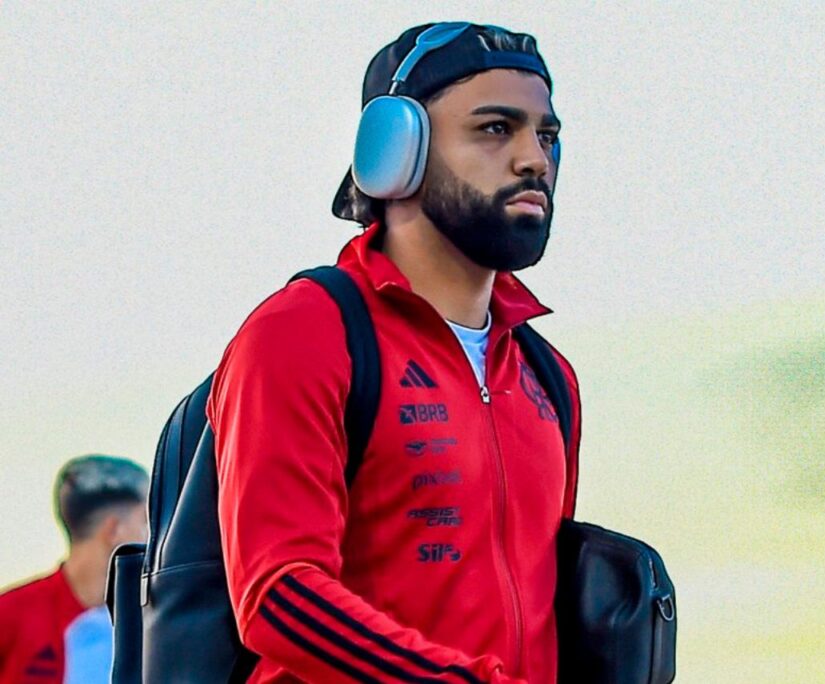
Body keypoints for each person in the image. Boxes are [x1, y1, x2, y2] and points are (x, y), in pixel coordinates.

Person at [207, 22, 581, 684]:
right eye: (496, 128)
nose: (534, 160)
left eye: (546, 136)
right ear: (395, 151)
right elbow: (277, 595)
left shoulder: (548, 377)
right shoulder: (302, 333)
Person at [0, 454, 148, 684]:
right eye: (145, 521)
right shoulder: (11, 615)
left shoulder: (153, 622)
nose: (152, 534)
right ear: (115, 530)